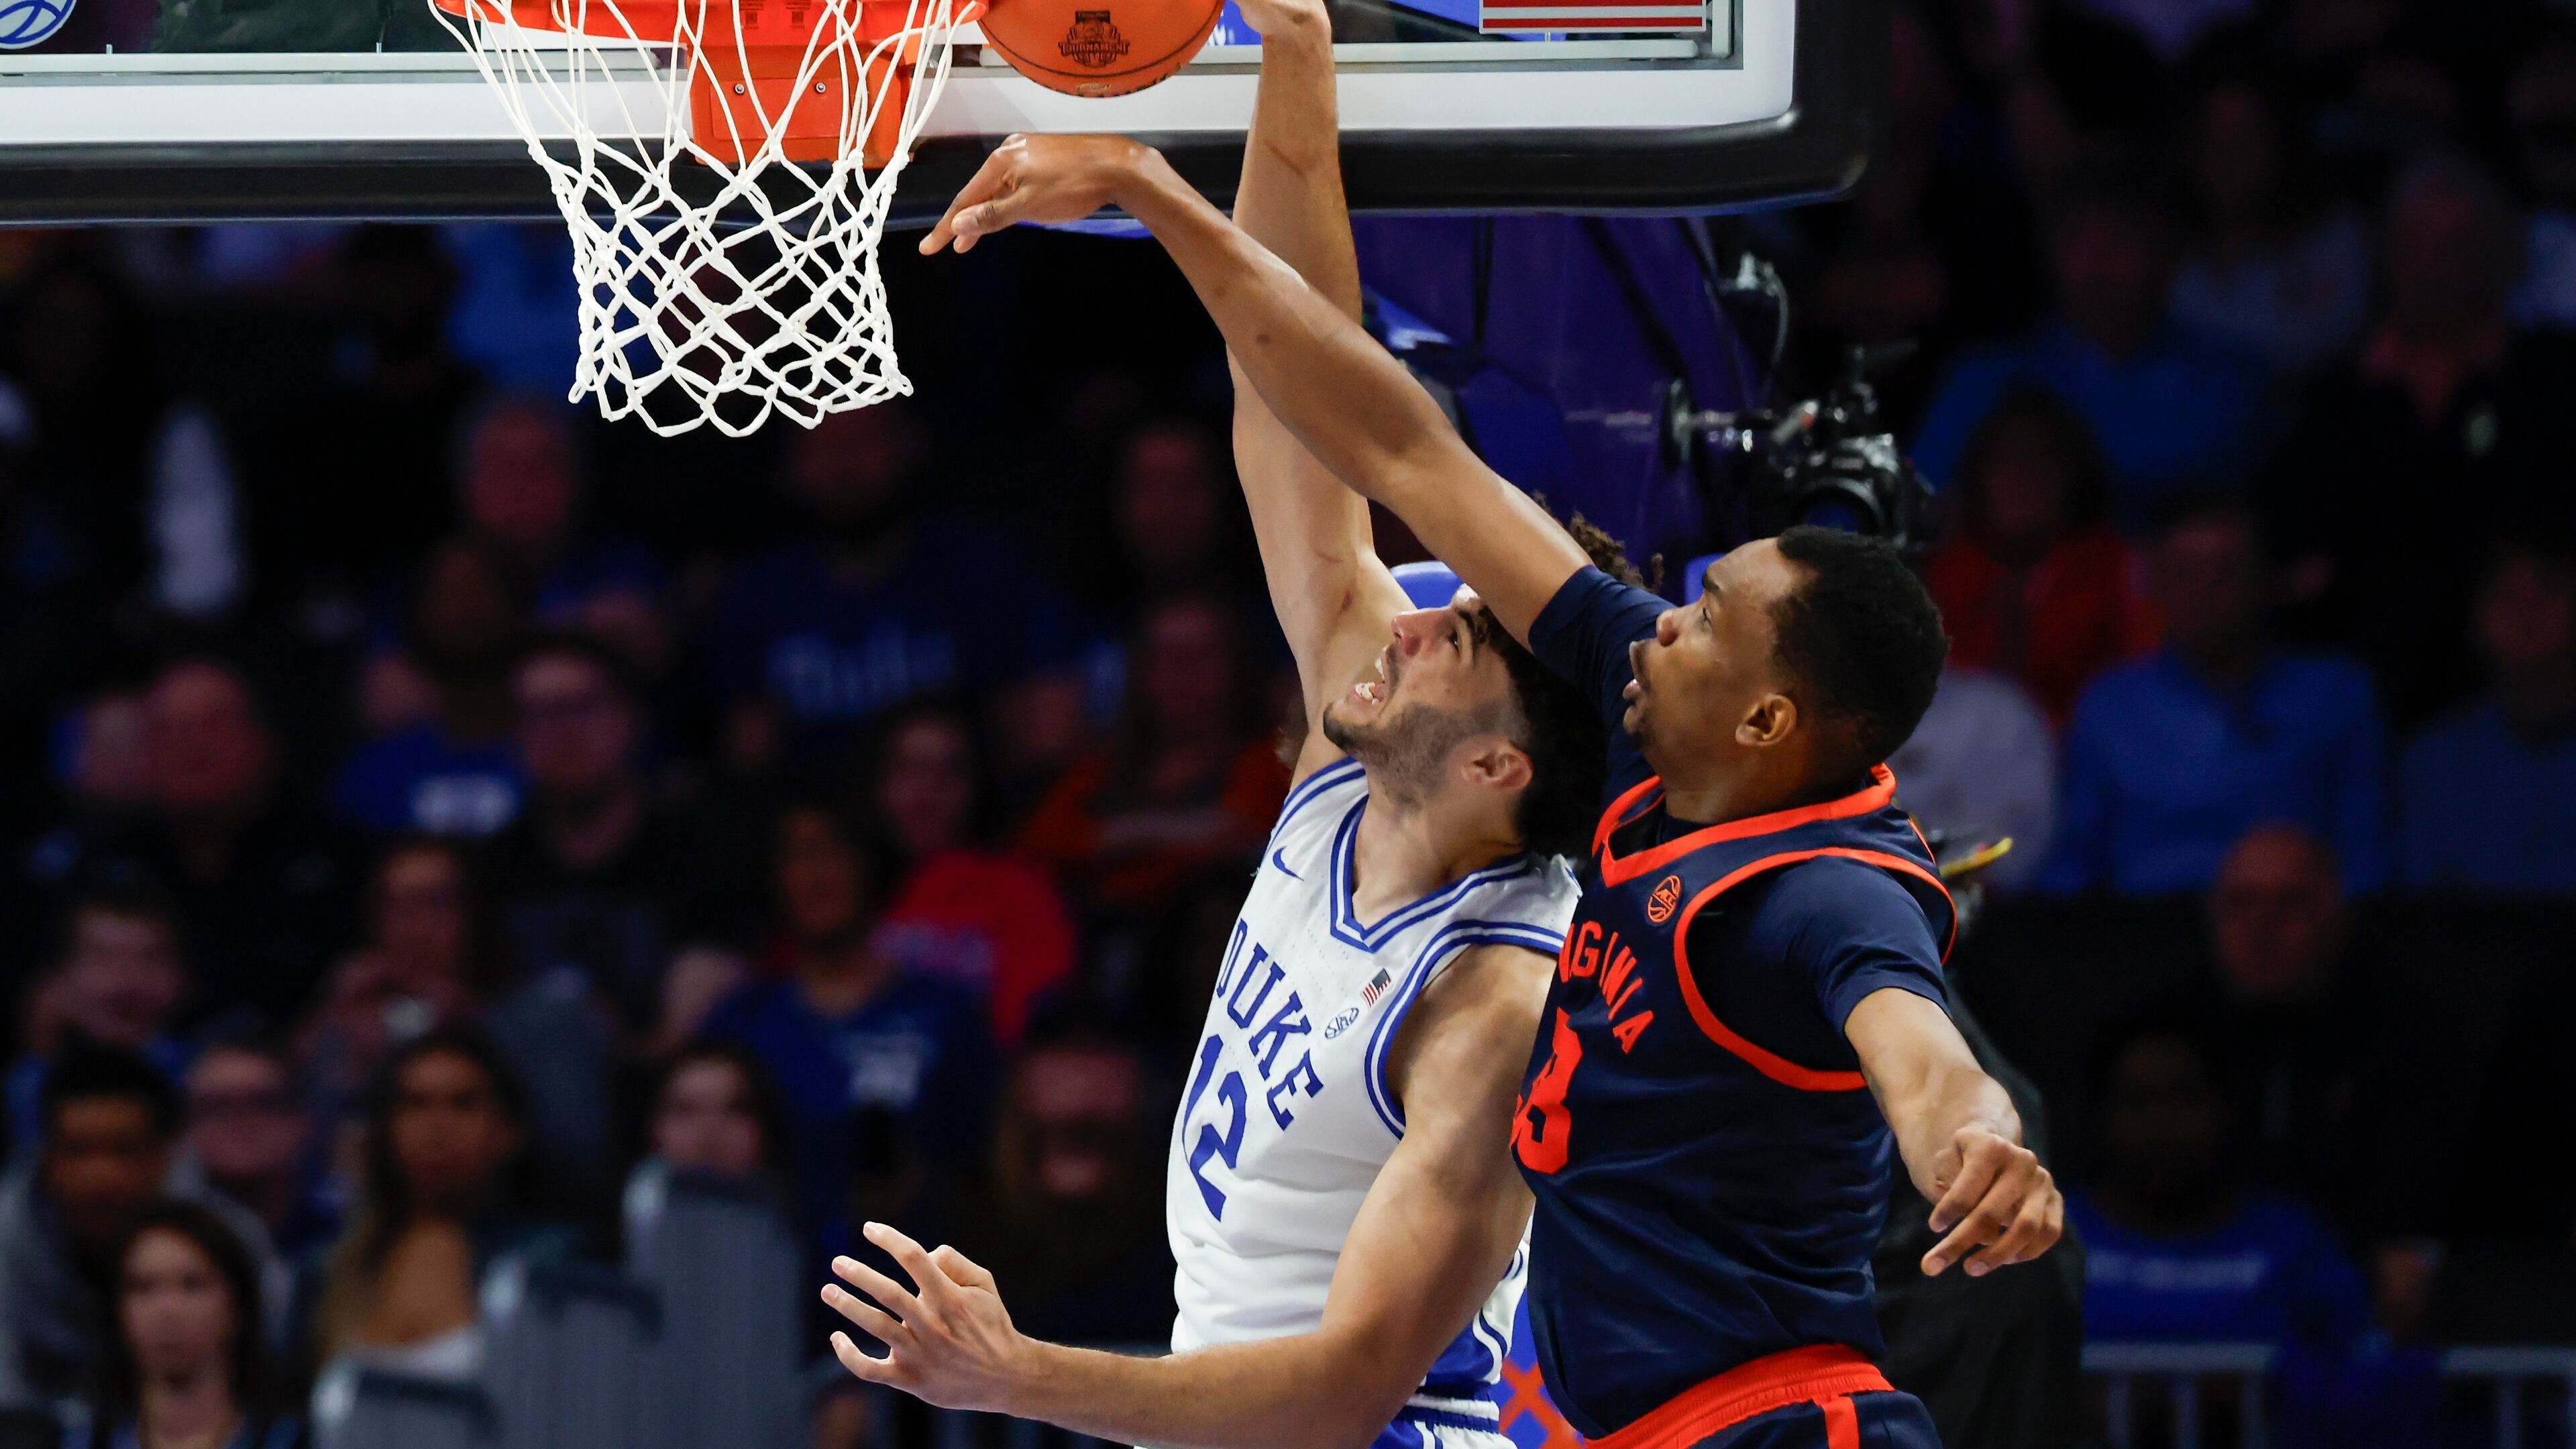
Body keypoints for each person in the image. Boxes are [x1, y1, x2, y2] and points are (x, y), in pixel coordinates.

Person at [885, 95, 2065, 1449]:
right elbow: (1347, 432)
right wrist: (1283, 89)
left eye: (1705, 619)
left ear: (1503, 759)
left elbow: (1916, 1047)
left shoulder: (1585, 968)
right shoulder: (1465, 731)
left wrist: (1976, 1141)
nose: (1414, 618)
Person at [822, 15, 1619, 1448]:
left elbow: (1344, 1389)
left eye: (1461, 637)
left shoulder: (1493, 1005)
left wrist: (1020, 1376)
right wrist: (1293, 51)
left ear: (1503, 765)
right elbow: (1292, 386)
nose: (1415, 618)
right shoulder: (1355, 752)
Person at [2041, 503, 2389, 896]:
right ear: (2156, 583)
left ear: (2265, 581)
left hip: (2293, 933)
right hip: (2143, 934)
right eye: (2184, 574)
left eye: (2226, 573)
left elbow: (2366, 859)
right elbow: (2071, 868)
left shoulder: (2335, 694)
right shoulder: (2110, 706)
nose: (2203, 593)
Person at [701, 800, 994, 1265]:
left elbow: (984, 1171)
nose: (819, 874)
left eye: (837, 850)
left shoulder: (943, 1015)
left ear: (871, 867)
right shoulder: (740, 1022)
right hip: (761, 1275)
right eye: (798, 855)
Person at [478, 632, 755, 1031]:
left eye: (580, 707)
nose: (561, 731)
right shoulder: (491, 869)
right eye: (538, 713)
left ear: (632, 718)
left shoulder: (703, 855)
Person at [64, 661, 362, 1026]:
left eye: (212, 724)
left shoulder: (336, 860)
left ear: (262, 741)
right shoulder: (100, 868)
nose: (192, 746)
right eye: (170, 730)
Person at [2067, 1016, 2369, 1354]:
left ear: (2226, 1107)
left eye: (2184, 1096)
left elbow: (2352, 1372)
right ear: (2103, 1117)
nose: (2163, 1122)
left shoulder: (2294, 1242)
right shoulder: (2053, 1234)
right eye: (2137, 1100)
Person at [0, 1046, 275, 1407]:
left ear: (165, 1156)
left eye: (123, 1150)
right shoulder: (7, 1241)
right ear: (46, 1159)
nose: (101, 1177)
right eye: (78, 1151)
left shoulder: (228, 1243)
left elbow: (267, 1384)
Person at [308, 1026, 570, 1383]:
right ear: (383, 1129)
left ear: (508, 1130)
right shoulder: (326, 1271)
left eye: (463, 1104)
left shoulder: (550, 1264)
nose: (437, 1128)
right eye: (415, 1104)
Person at [1015, 593, 1290, 922]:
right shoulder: (1100, 771)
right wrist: (1165, 832)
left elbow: (1242, 836)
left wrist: (1109, 847)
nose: (1183, 674)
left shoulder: (1270, 764)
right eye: (1167, 656)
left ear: (1237, 665)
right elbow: (1039, 844)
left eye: (1201, 656)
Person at [1919, 388, 2159, 727]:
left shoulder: (2118, 568)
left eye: (2041, 461)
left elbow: (2145, 695)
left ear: (2074, 477)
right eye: (2006, 460)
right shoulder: (1939, 572)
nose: (2023, 478)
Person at [865, 703, 1077, 1048]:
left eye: (950, 771)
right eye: (910, 770)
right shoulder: (836, 883)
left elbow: (1027, 1031)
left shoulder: (1023, 890)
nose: (928, 789)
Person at [2398, 541, 2576, 894]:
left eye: (2548, 591)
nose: (2528, 613)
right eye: (2506, 596)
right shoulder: (2434, 760)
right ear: (2477, 618)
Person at [334, 539, 530, 838]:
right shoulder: (377, 770)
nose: (464, 607)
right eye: (447, 592)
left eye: (480, 588)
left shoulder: (554, 744)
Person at [91, 1198, 305, 1449]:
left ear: (238, 1305)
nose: (167, 1310)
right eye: (143, 1287)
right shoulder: (77, 1439)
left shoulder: (295, 1439)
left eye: (193, 1285)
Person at [9, 885, 194, 1148]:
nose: (125, 981)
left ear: (180, 976)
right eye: (102, 957)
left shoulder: (206, 1079)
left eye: (149, 958)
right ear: (60, 975)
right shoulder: (26, 1084)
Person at [178, 1038, 339, 1265]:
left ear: (303, 1119)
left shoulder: (348, 1230)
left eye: (264, 1102)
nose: (240, 1120)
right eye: (216, 1107)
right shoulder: (157, 1239)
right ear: (186, 1128)